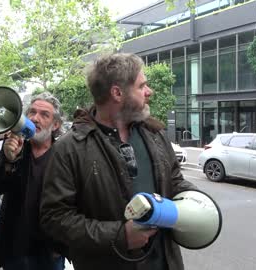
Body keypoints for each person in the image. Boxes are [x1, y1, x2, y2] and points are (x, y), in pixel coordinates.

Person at [39, 53, 197, 270]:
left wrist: (195, 199)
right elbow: (54, 218)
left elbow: (175, 181)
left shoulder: (155, 133)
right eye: (142, 86)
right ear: (117, 93)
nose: (149, 92)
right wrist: (120, 236)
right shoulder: (69, 148)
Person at [0, 92, 66, 270]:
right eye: (32, 112)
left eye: (44, 115)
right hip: (14, 246)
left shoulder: (64, 154)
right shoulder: (15, 147)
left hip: (49, 249)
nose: (35, 118)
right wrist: (9, 160)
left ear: (55, 124)